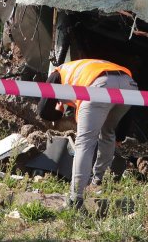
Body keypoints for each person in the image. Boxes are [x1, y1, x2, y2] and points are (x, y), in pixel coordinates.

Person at [37, 58, 137, 209]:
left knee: (85, 142)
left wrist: (59, 111)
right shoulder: (83, 68)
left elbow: (43, 110)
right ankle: (98, 183)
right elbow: (126, 115)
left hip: (99, 86)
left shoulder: (57, 73)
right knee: (108, 133)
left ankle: (75, 199)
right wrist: (121, 135)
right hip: (129, 84)